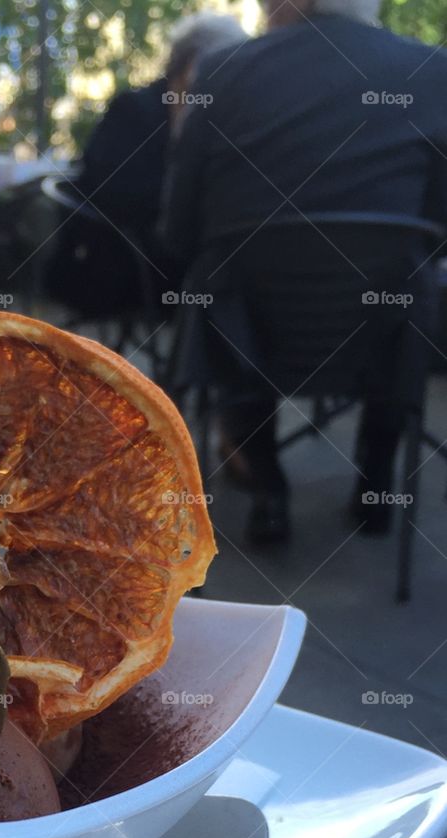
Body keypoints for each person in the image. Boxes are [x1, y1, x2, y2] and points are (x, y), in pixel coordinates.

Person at [164, 0, 447, 543]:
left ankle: (268, 488)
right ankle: (376, 483)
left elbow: (178, 233)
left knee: (221, 289)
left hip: (249, 340)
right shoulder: (431, 72)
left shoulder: (222, 72)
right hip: (379, 334)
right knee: (408, 281)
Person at [45, 13, 245, 319]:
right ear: (189, 64)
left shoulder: (213, 118)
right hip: (123, 265)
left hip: (174, 254)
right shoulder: (134, 111)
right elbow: (115, 194)